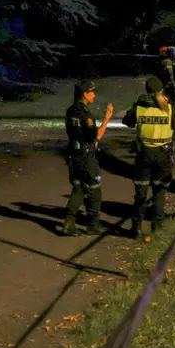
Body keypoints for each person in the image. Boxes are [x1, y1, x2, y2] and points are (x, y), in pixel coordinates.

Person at [122, 76, 175, 239]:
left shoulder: (140, 107)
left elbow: (127, 121)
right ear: (161, 90)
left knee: (141, 192)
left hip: (144, 155)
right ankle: (157, 226)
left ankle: (137, 228)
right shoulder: (168, 107)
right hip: (163, 155)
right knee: (159, 191)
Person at [61, 79, 113, 236]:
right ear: (85, 94)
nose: (94, 95)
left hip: (73, 154)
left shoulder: (70, 110)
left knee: (78, 187)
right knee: (94, 189)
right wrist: (106, 119)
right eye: (92, 92)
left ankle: (69, 222)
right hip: (85, 155)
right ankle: (93, 225)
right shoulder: (85, 113)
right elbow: (94, 137)